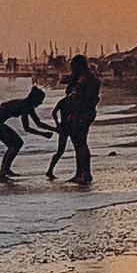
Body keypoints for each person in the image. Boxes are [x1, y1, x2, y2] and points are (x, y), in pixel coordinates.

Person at [49, 56, 100, 185]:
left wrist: (75, 113)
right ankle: (85, 173)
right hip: (87, 113)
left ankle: (81, 174)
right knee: (82, 143)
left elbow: (81, 98)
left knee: (79, 144)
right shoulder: (92, 77)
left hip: (81, 114)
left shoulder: (84, 79)